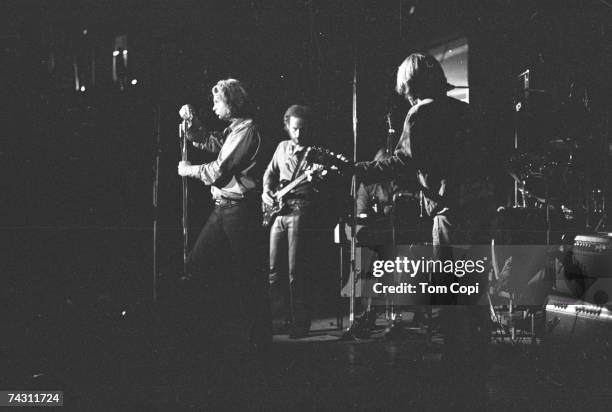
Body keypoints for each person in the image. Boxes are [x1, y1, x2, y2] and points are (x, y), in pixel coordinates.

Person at [353, 54, 489, 358]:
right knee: (474, 284)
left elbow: (404, 160)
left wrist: (359, 168)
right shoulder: (464, 110)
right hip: (479, 205)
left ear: (407, 84)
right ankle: (480, 353)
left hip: (449, 208)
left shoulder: (419, 114)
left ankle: (457, 357)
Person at [177, 78, 269, 353]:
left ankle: (256, 340)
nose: (214, 106)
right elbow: (209, 141)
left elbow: (218, 170)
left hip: (238, 210)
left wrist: (188, 170)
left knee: (247, 275)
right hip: (224, 208)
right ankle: (218, 331)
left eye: (218, 101)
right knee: (197, 265)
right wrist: (191, 122)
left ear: (231, 103)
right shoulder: (234, 130)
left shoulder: (247, 132)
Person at [262, 105, 321, 339]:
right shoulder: (281, 147)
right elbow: (270, 172)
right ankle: (279, 319)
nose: (298, 134)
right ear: (287, 126)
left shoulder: (315, 154)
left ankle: (300, 321)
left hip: (300, 211)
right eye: (294, 129)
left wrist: (315, 178)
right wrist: (267, 190)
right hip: (278, 213)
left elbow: (321, 187)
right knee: (274, 270)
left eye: (303, 129)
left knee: (296, 271)